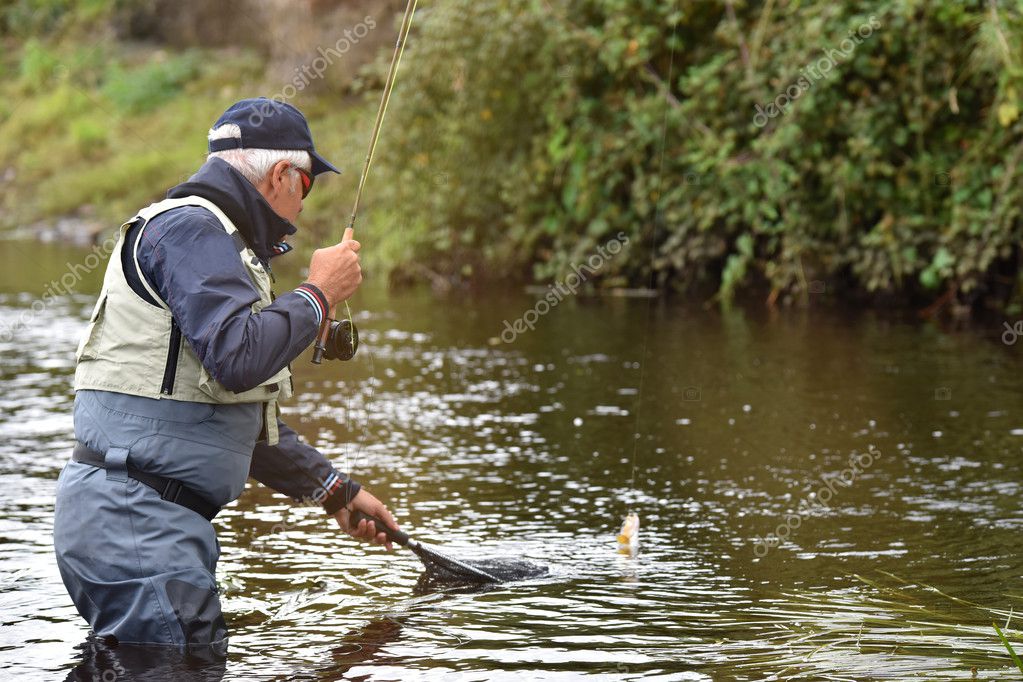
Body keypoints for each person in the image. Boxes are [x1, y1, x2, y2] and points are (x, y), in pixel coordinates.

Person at [53, 97, 399, 649]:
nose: (304, 205)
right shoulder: (192, 230)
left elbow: (222, 415)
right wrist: (319, 295)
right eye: (307, 186)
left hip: (136, 523)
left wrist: (332, 490)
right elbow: (238, 358)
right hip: (140, 527)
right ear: (283, 174)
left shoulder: (208, 241)